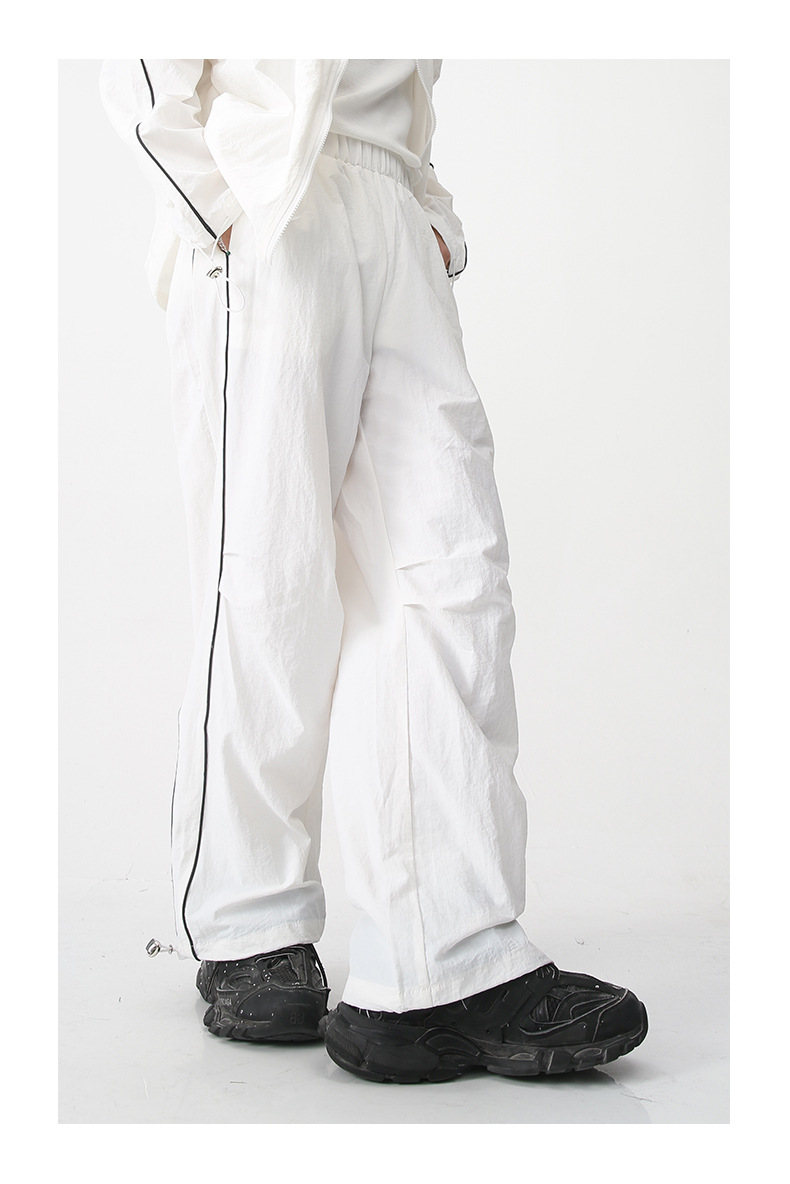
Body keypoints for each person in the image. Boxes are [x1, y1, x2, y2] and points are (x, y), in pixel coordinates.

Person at [99, 58, 648, 1084]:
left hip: (391, 204)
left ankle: (443, 955)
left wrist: (425, 205)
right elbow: (140, 58)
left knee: (452, 574)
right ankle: (248, 920)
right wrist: (216, 206)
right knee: (269, 580)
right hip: (266, 199)